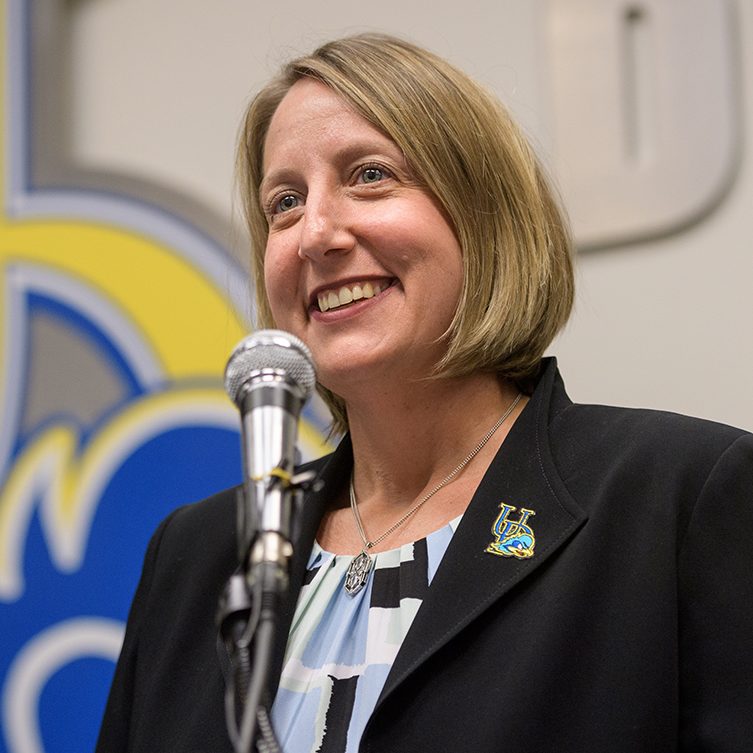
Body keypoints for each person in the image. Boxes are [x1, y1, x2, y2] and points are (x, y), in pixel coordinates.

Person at [96, 33, 753, 753]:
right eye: (284, 202)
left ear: (482, 214)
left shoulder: (680, 497)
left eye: (370, 175)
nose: (315, 232)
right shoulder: (197, 554)